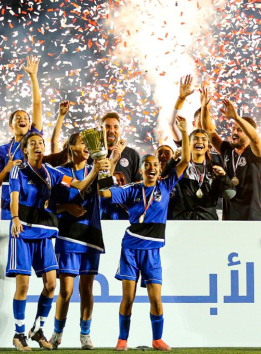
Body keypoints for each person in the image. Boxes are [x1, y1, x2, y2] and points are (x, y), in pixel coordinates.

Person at [8, 132, 109, 351]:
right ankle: (21, 334)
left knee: (53, 285)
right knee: (28, 286)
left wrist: (98, 169)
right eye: (33, 143)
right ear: (25, 149)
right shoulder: (21, 169)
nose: (38, 146)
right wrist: (15, 218)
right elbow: (15, 196)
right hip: (28, 230)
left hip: (50, 233)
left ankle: (40, 329)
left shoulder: (51, 172)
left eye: (41, 143)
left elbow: (86, 187)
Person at [99, 116, 190, 352]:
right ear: (141, 170)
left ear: (159, 169)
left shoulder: (165, 186)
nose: (151, 168)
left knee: (156, 299)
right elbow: (105, 193)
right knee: (128, 298)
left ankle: (157, 339)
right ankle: (122, 340)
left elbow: (186, 160)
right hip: (130, 248)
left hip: (152, 250)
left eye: (154, 165)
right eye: (147, 165)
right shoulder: (132, 189)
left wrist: (184, 131)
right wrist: (110, 166)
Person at [50, 133, 105, 350]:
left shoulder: (98, 169)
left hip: (91, 234)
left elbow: (107, 192)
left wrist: (110, 164)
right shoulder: (61, 173)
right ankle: (57, 333)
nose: (86, 146)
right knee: (66, 290)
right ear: (71, 147)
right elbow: (48, 205)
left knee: (87, 289)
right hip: (68, 235)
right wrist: (67, 207)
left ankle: (85, 334)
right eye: (82, 142)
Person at [201, 89, 261, 220]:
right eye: (233, 129)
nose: (234, 132)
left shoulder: (256, 153)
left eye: (239, 130)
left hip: (252, 216)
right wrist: (204, 107)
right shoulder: (227, 150)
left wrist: (236, 117)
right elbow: (208, 131)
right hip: (229, 216)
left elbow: (255, 138)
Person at [0, 55, 43, 221]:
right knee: (10, 233)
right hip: (9, 200)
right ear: (11, 125)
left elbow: (37, 105)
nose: (22, 120)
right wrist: (6, 169)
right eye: (18, 118)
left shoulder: (33, 141)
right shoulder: (2, 150)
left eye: (26, 118)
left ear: (30, 125)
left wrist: (33, 76)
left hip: (31, 196)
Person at [168, 129, 233, 220]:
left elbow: (229, 194)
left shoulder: (215, 168)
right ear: (189, 144)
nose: (199, 141)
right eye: (195, 138)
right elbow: (165, 179)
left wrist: (223, 177)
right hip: (182, 220)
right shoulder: (180, 166)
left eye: (204, 139)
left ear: (208, 145)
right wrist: (173, 159)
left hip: (207, 219)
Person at [101, 112, 141, 184]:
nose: (112, 130)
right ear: (101, 130)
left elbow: (138, 182)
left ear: (120, 130)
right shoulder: (93, 155)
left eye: (115, 127)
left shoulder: (132, 154)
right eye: (107, 126)